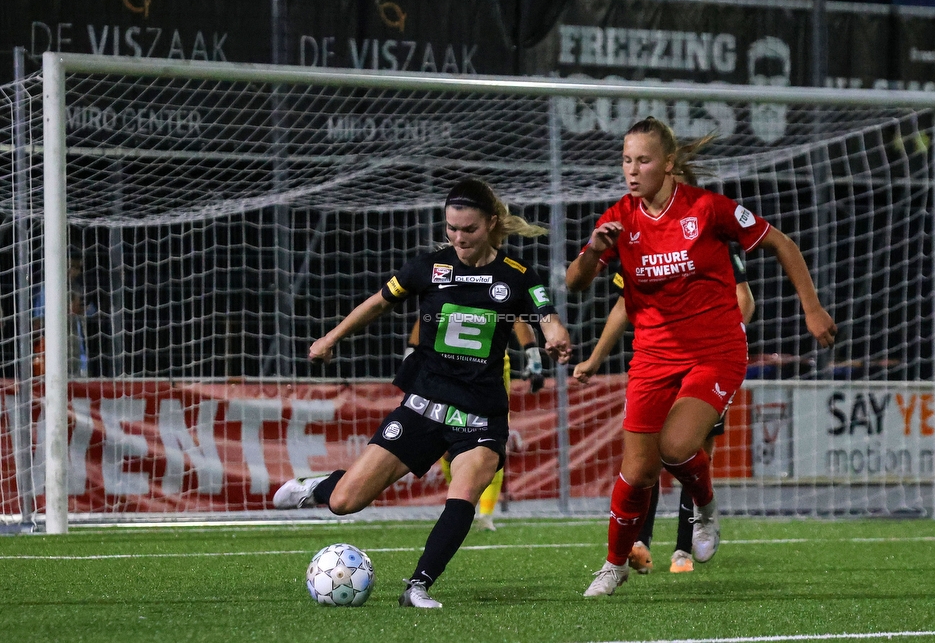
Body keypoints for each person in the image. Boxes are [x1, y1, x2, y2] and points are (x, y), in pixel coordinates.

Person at [565, 116, 836, 597]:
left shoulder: (708, 209)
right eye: (626, 160)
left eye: (643, 160)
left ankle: (706, 508)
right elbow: (575, 283)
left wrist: (811, 310)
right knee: (636, 471)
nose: (632, 170)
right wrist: (592, 249)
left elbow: (781, 243)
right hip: (652, 356)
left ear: (668, 164)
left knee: (676, 445)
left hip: (715, 351)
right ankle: (613, 566)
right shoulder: (619, 218)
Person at [273, 178, 572, 609]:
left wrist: (555, 334)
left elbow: (545, 315)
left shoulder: (518, 275)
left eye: (468, 229)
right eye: (451, 228)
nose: (459, 238)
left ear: (490, 224)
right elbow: (377, 302)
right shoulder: (429, 268)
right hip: (424, 404)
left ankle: (418, 586)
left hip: (480, 415)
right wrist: (331, 337)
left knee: (465, 491)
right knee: (345, 502)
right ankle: (318, 488)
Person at [575, 242, 755, 574]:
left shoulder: (712, 239)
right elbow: (622, 307)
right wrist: (596, 357)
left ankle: (684, 549)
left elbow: (743, 298)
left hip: (704, 366)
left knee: (691, 452)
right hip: (659, 365)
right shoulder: (640, 244)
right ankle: (641, 541)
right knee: (648, 456)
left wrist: (721, 344)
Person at [406, 318, 545, 532]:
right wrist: (411, 354)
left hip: (491, 364)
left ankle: (485, 514)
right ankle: (460, 505)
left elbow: (516, 316)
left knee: (491, 438)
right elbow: (427, 312)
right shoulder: (444, 285)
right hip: (448, 362)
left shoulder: (500, 285)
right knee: (446, 435)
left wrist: (533, 359)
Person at [32, 246, 93, 378]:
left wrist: (84, 310)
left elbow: (91, 312)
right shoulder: (47, 290)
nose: (75, 272)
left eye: (78, 268)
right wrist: (66, 311)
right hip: (54, 353)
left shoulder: (78, 289)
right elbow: (36, 324)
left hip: (76, 353)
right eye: (72, 267)